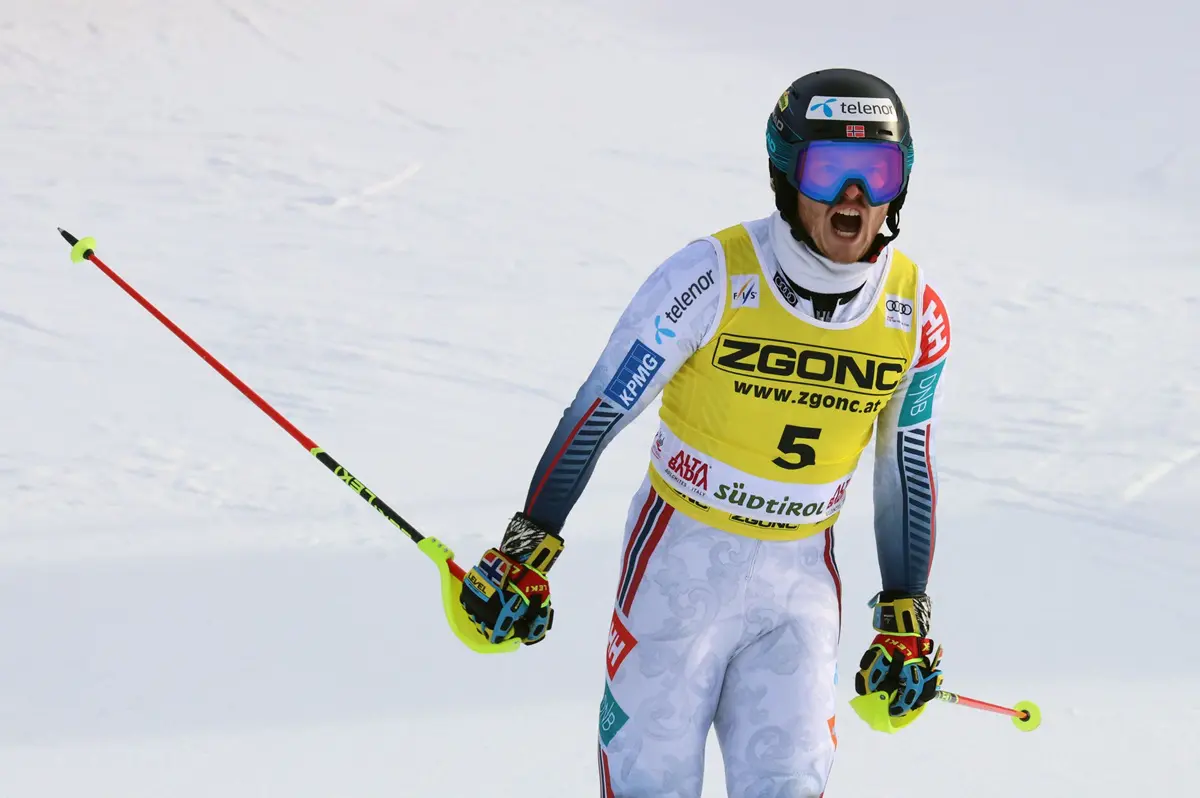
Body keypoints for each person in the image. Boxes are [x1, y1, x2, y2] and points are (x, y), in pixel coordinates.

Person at [459, 67, 951, 798]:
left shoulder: (916, 312)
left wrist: (906, 616)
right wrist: (525, 549)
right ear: (787, 174)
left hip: (800, 582)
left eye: (876, 173)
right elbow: (600, 409)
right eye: (830, 171)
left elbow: (904, 470)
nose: (854, 197)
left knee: (790, 784)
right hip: (680, 561)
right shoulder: (711, 275)